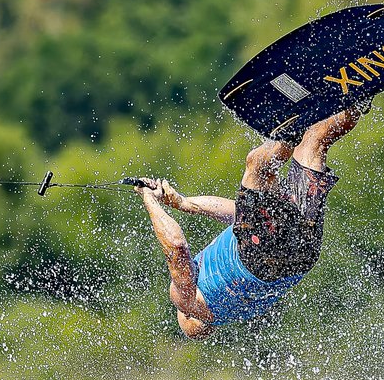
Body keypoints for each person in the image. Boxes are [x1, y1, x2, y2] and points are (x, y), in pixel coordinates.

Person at [130, 107, 363, 338]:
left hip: (301, 259)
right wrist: (149, 199)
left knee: (315, 143)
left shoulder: (234, 308)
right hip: (256, 257)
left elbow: (239, 215)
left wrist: (185, 203)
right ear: (187, 315)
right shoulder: (186, 302)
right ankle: (290, 130)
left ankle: (357, 102)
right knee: (258, 167)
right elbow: (176, 246)